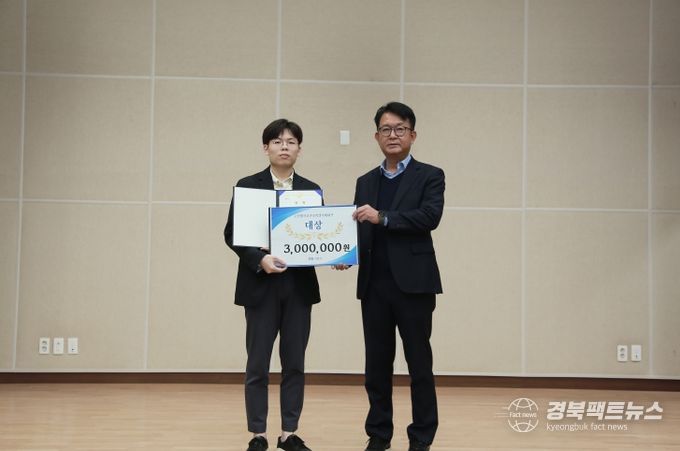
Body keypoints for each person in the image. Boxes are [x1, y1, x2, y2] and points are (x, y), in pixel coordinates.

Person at [337, 102, 445, 451]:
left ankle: (422, 436)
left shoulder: (430, 175)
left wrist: (383, 217)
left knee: (419, 364)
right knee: (376, 366)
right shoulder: (365, 181)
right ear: (376, 136)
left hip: (414, 285)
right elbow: (360, 228)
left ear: (413, 135)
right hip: (374, 286)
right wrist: (346, 254)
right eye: (386, 129)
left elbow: (429, 217)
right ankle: (379, 434)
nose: (393, 135)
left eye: (400, 129)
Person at [224, 119, 320, 451]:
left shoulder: (310, 190)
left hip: (298, 287)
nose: (284, 147)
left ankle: (288, 433)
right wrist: (259, 259)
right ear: (266, 148)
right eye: (277, 141)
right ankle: (258, 434)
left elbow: (319, 235)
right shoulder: (247, 186)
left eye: (291, 142)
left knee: (295, 364)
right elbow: (232, 234)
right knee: (258, 363)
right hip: (260, 285)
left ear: (299, 149)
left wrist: (337, 254)